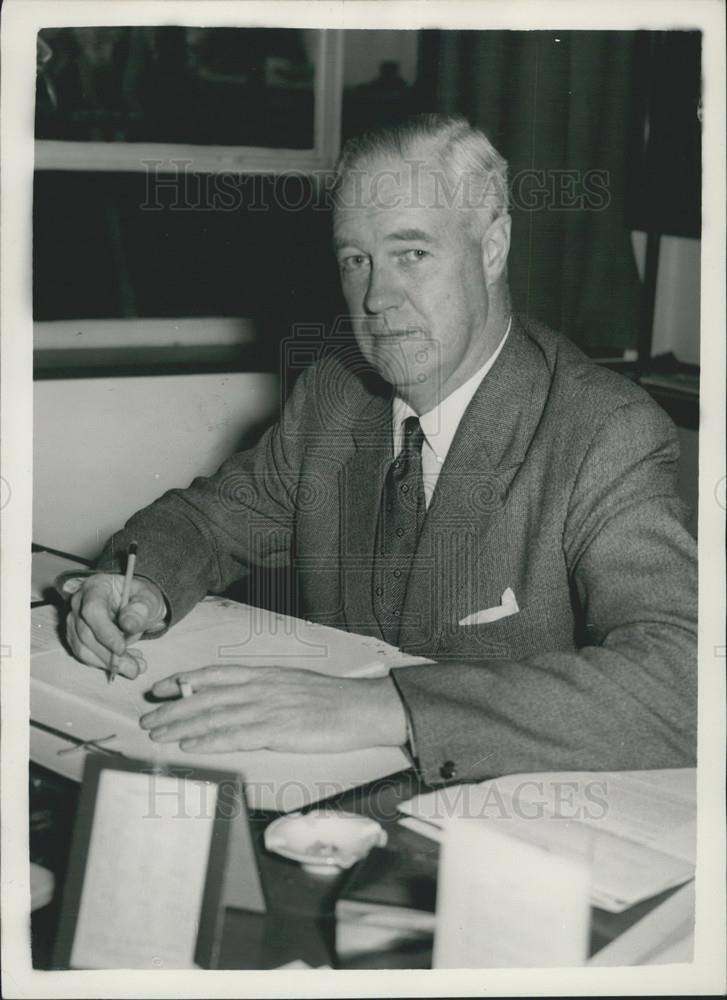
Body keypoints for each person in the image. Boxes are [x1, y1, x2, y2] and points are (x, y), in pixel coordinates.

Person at [65, 114, 697, 787]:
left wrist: (388, 706)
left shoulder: (601, 430)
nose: (376, 298)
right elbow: (208, 522)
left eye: (411, 254)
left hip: (507, 817)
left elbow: (684, 680)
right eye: (355, 260)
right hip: (325, 794)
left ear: (491, 248)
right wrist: (136, 586)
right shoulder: (337, 395)